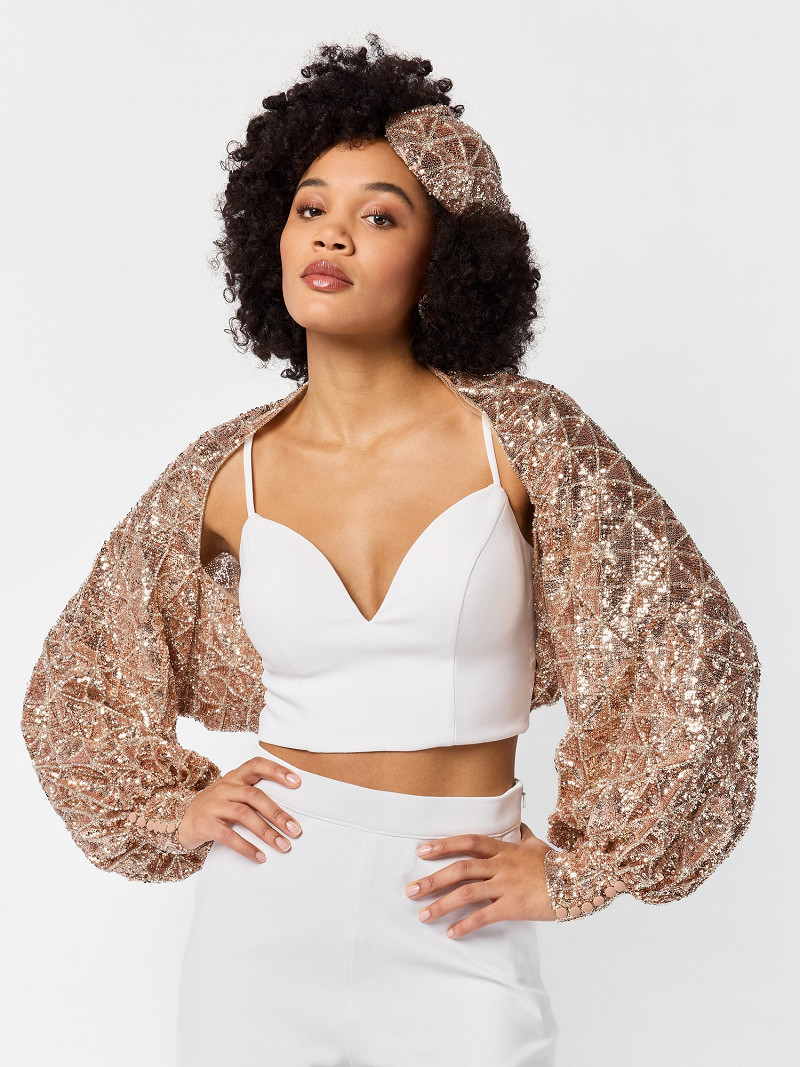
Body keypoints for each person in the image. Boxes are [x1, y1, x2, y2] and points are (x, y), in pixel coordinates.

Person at [20, 34, 760, 1067]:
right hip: (261, 916)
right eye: (309, 207)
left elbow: (697, 654)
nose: (332, 234)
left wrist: (579, 867)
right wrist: (176, 807)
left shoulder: (526, 440)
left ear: (444, 259)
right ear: (270, 234)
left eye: (379, 215)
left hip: (458, 914)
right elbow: (75, 683)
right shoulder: (224, 471)